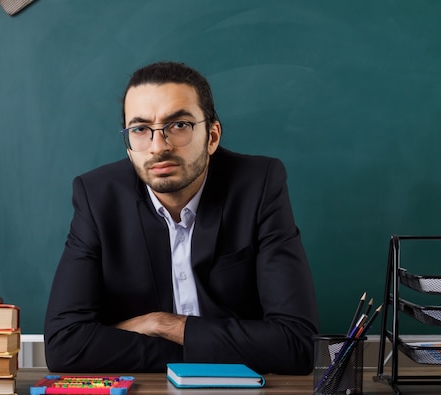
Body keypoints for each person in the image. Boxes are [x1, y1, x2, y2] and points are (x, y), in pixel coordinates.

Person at [44, 61, 319, 374]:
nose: (158, 147)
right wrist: (223, 347)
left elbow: (297, 345)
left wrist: (160, 324)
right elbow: (64, 347)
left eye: (179, 126)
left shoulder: (259, 186)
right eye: (140, 130)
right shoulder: (96, 197)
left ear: (212, 136)